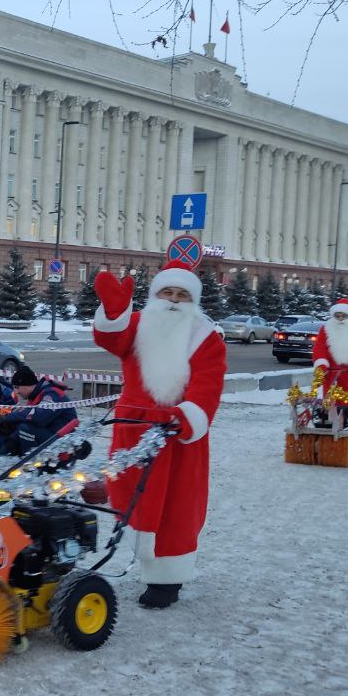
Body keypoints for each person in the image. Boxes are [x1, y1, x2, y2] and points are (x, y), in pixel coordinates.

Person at [92, 260, 227, 608]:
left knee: (175, 507)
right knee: (128, 497)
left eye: (182, 294)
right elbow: (112, 338)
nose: (173, 300)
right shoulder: (138, 324)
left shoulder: (205, 337)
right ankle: (141, 554)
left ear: (193, 300)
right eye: (166, 292)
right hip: (133, 430)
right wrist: (113, 311)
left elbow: (207, 386)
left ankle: (167, 578)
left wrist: (185, 418)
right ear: (154, 295)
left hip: (177, 437)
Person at [0, 364, 79, 455]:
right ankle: (3, 456)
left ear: (27, 384)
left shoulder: (52, 393)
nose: (16, 392)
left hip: (64, 441)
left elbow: (40, 416)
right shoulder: (35, 397)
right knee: (15, 433)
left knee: (25, 429)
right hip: (53, 436)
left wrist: (10, 417)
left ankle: (31, 465)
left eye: (17, 387)